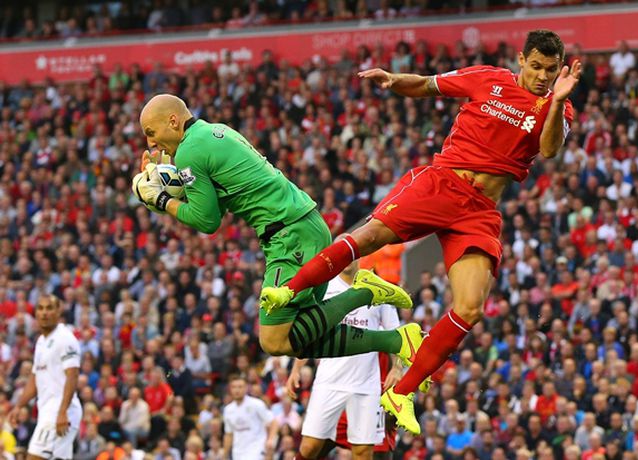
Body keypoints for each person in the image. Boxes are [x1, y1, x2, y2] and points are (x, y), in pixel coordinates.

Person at [261, 29, 580, 434]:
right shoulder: (488, 79)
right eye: (536, 66)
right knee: (370, 237)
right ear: (521, 59)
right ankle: (288, 289)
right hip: (442, 183)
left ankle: (402, 391)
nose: (542, 76)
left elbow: (550, 149)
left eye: (550, 70)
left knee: (470, 307)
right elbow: (430, 85)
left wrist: (558, 100)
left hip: (480, 210)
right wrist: (394, 81)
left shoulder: (557, 107)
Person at [131, 94, 424, 366]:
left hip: (289, 235)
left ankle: (363, 293)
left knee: (273, 340)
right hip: (306, 225)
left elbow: (206, 221)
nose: (151, 143)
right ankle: (397, 340)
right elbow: (214, 207)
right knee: (299, 335)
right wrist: (171, 190)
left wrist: (159, 198)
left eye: (151, 132)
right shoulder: (210, 132)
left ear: (172, 121)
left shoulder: (189, 152)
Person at [286, 240, 407, 460]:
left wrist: (397, 369)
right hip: (329, 380)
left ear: (358, 253)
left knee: (362, 451)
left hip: (366, 384)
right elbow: (310, 334)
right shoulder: (324, 289)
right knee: (310, 447)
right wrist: (295, 369)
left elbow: (397, 335)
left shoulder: (377, 289)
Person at [8, 295, 82, 460]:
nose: (44, 313)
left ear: (58, 311)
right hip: (48, 411)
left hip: (59, 412)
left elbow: (73, 376)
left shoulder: (65, 339)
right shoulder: (41, 341)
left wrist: (63, 411)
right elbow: (35, 378)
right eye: (40, 308)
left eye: (49, 308)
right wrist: (19, 406)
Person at [223, 376, 278, 460]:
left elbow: (274, 422)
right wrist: (225, 454)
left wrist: (270, 440)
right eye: (234, 387)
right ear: (230, 389)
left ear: (246, 388)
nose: (237, 390)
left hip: (257, 450)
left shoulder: (256, 404)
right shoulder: (228, 410)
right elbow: (229, 434)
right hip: (238, 452)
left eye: (240, 387)